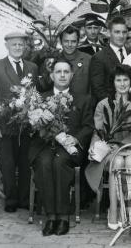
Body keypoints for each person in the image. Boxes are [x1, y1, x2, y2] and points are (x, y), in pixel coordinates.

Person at [29, 57, 93, 236]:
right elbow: (31, 127)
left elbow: (88, 126)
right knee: (44, 163)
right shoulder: (41, 98)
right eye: (58, 72)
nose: (62, 75)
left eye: (66, 72)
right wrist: (37, 123)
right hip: (44, 145)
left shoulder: (83, 99)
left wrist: (76, 138)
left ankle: (63, 217)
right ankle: (51, 217)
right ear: (52, 75)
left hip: (69, 148)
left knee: (59, 163)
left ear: (72, 75)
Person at [0, 31, 39, 213]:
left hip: (26, 127)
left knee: (24, 163)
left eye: (21, 44)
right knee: (7, 164)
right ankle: (11, 200)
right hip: (4, 126)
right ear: (7, 46)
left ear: (25, 46)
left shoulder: (32, 68)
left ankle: (23, 199)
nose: (18, 48)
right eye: (14, 45)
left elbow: (34, 96)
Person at [85, 64, 131, 230]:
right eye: (118, 80)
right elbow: (98, 131)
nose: (122, 84)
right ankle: (114, 210)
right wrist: (94, 147)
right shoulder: (103, 104)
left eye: (125, 80)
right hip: (110, 150)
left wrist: (121, 145)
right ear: (112, 82)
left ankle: (129, 210)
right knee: (118, 162)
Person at [90, 16, 128, 102]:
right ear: (108, 33)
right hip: (110, 109)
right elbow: (98, 90)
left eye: (124, 32)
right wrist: (115, 106)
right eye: (117, 32)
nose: (121, 36)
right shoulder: (99, 58)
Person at [59, 25, 91, 96]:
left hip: (83, 105)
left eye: (73, 41)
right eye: (66, 41)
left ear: (78, 42)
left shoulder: (88, 60)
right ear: (61, 42)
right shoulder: (54, 60)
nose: (69, 45)